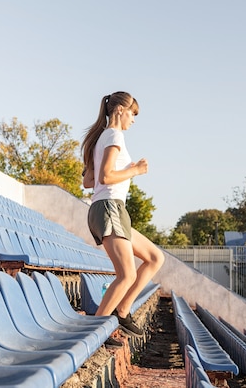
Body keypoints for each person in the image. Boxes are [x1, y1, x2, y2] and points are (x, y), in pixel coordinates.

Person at [81, 91, 165, 347]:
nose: (134, 120)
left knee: (155, 258)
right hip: (109, 208)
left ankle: (123, 311)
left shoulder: (100, 139)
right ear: (120, 110)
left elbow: (87, 181)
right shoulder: (114, 136)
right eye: (133, 113)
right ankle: (96, 333)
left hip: (110, 207)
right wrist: (134, 170)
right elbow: (105, 178)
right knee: (126, 275)